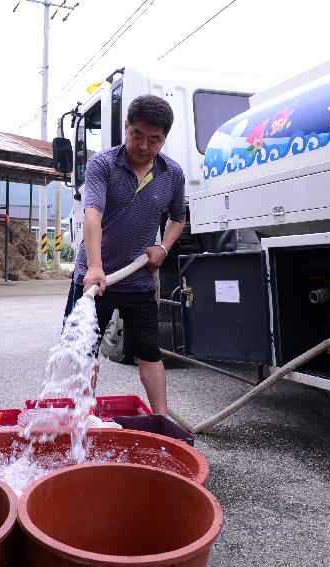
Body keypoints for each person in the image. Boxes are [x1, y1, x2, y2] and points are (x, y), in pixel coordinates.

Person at [64, 95, 186, 416]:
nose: (144, 146)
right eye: (137, 135)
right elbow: (92, 214)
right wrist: (94, 266)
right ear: (126, 127)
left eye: (154, 139)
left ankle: (160, 419)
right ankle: (83, 419)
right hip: (95, 281)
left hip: (139, 280)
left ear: (163, 139)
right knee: (85, 353)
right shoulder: (102, 164)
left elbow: (178, 218)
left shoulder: (172, 174)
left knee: (149, 352)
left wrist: (163, 248)